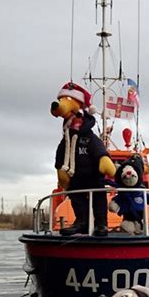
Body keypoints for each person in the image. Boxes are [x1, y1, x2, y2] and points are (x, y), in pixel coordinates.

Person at [51, 82, 115, 236]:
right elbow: (61, 155)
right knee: (76, 197)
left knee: (99, 197)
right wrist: (61, 170)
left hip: (95, 178)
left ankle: (101, 224)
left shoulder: (90, 139)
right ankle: (82, 222)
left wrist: (104, 160)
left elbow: (99, 149)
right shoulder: (66, 139)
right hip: (76, 178)